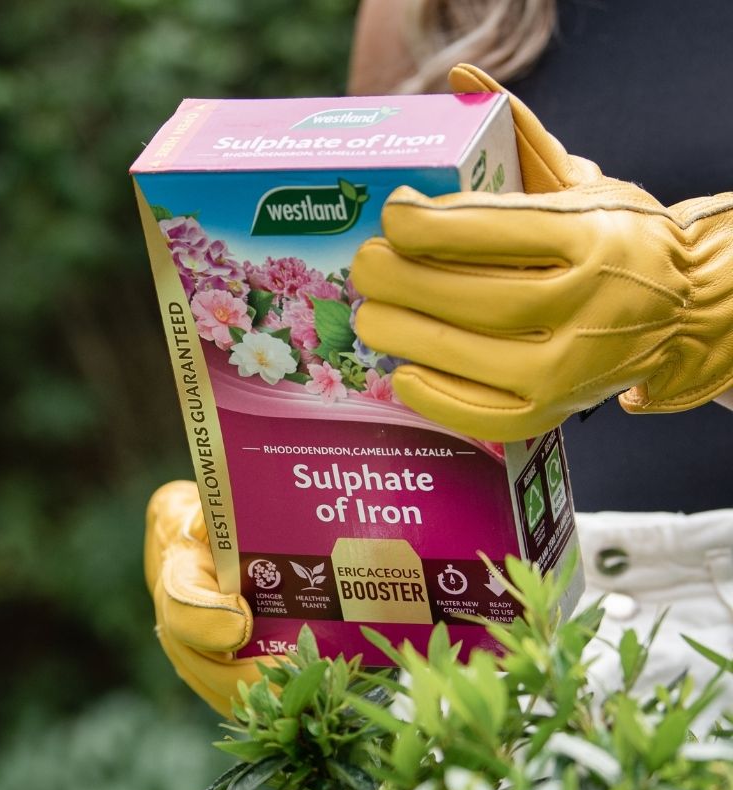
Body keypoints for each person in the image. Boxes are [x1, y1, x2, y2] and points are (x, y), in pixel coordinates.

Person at [146, 0, 733, 718]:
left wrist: (702, 297)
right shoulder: (435, 9)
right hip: (502, 667)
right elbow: (384, 316)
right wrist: (277, 564)